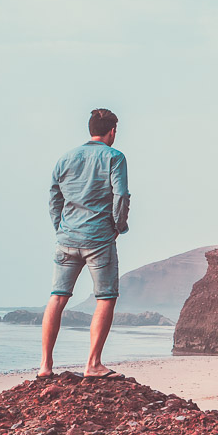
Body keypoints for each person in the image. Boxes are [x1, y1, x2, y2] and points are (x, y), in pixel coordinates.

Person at [39, 108, 130, 379]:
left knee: (57, 297)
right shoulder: (114, 157)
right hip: (99, 238)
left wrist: (60, 227)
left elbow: (54, 198)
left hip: (66, 238)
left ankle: (45, 366)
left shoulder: (65, 157)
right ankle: (93, 364)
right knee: (105, 297)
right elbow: (121, 195)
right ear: (112, 131)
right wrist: (118, 226)